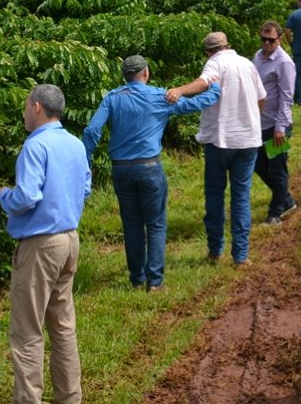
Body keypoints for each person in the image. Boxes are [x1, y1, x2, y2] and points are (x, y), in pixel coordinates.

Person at [85, 56, 221, 289]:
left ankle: (137, 280)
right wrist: (216, 87)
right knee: (156, 224)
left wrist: (85, 161)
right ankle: (155, 282)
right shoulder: (161, 97)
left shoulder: (112, 98)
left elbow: (91, 131)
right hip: (149, 168)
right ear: (146, 73)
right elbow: (196, 104)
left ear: (124, 75)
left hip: (120, 170)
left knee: (132, 224)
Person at [0, 85, 90, 404]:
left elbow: (26, 196)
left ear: (36, 106)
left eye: (26, 106)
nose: (24, 112)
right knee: (63, 326)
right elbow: (86, 188)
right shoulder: (75, 144)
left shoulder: (35, 146)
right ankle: (70, 398)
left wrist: (1, 196)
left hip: (40, 244)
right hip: (69, 240)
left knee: (26, 333)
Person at [167, 32, 266, 265]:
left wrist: (179, 90)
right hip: (248, 140)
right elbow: (262, 98)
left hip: (220, 141)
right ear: (228, 45)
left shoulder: (215, 63)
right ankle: (240, 256)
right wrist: (249, 117)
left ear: (208, 52)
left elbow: (204, 82)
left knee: (215, 195)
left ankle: (215, 250)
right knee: (241, 197)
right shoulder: (247, 63)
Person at [252, 22, 298, 224]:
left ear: (279, 39)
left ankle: (276, 211)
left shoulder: (284, 63)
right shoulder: (257, 57)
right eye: (263, 39)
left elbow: (287, 97)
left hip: (278, 126)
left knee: (277, 168)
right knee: (258, 164)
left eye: (271, 40)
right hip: (260, 123)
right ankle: (286, 199)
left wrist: (280, 128)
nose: (266, 43)